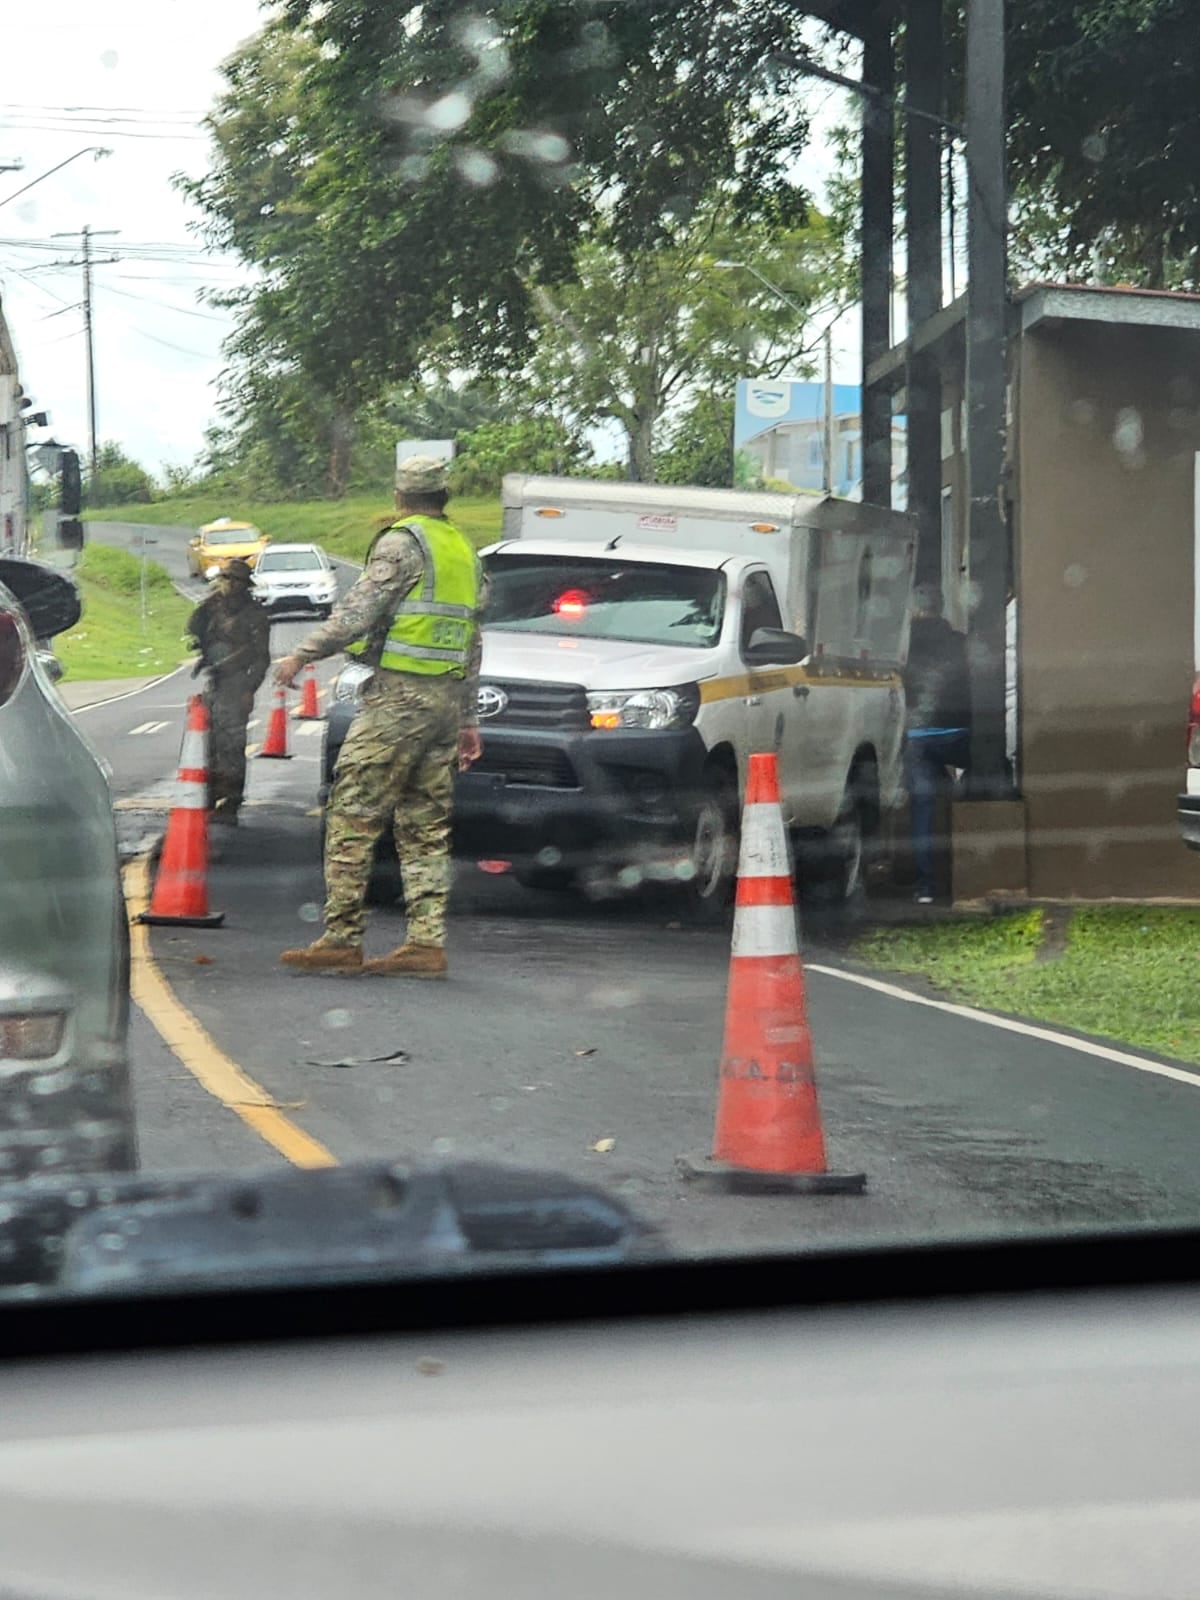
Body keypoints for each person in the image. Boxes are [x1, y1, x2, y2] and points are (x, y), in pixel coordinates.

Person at [274, 455, 484, 977]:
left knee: (353, 809)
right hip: (442, 702)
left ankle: (342, 936)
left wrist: (301, 654)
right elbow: (473, 639)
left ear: (399, 496)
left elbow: (356, 614)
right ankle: (425, 943)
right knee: (425, 823)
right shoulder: (462, 550)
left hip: (400, 698)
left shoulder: (402, 543)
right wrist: (467, 719)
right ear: (446, 496)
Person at [186, 558, 271, 827]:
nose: (229, 584)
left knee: (232, 745)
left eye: (234, 580)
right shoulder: (215, 607)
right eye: (226, 579)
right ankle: (211, 793)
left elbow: (261, 657)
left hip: (237, 682)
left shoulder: (254, 614)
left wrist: (249, 687)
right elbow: (193, 628)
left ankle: (232, 800)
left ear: (245, 585)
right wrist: (208, 602)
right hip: (215, 681)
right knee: (209, 742)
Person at [903, 582, 971, 905]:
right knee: (986, 776)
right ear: (941, 607)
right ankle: (969, 869)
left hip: (916, 736)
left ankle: (925, 886)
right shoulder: (960, 642)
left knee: (922, 806)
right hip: (960, 734)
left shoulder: (901, 645)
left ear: (914, 610)